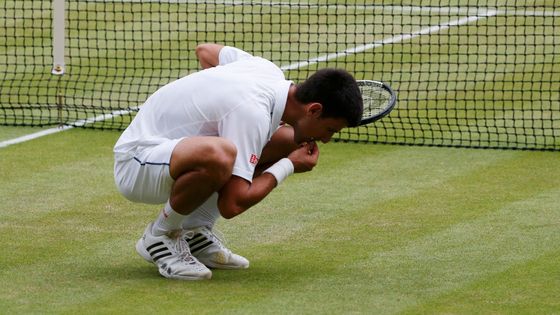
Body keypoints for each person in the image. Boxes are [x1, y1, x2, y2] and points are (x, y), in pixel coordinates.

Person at [113, 43, 363, 280]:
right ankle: (160, 235)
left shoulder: (267, 70)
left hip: (172, 154)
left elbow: (207, 51)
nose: (327, 139)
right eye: (330, 129)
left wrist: (212, 103)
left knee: (285, 140)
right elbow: (232, 204)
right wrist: (288, 166)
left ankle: (195, 229)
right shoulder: (252, 113)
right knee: (220, 154)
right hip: (137, 162)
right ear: (314, 110)